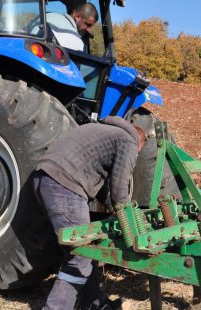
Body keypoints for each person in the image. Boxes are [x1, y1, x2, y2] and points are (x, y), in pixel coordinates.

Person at [32, 116, 145, 310]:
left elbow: (103, 187)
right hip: (65, 186)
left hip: (42, 179)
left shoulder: (101, 130)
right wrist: (127, 218)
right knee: (80, 256)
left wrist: (111, 206)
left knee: (85, 250)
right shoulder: (129, 141)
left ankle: (93, 303)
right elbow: (119, 190)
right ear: (140, 143)